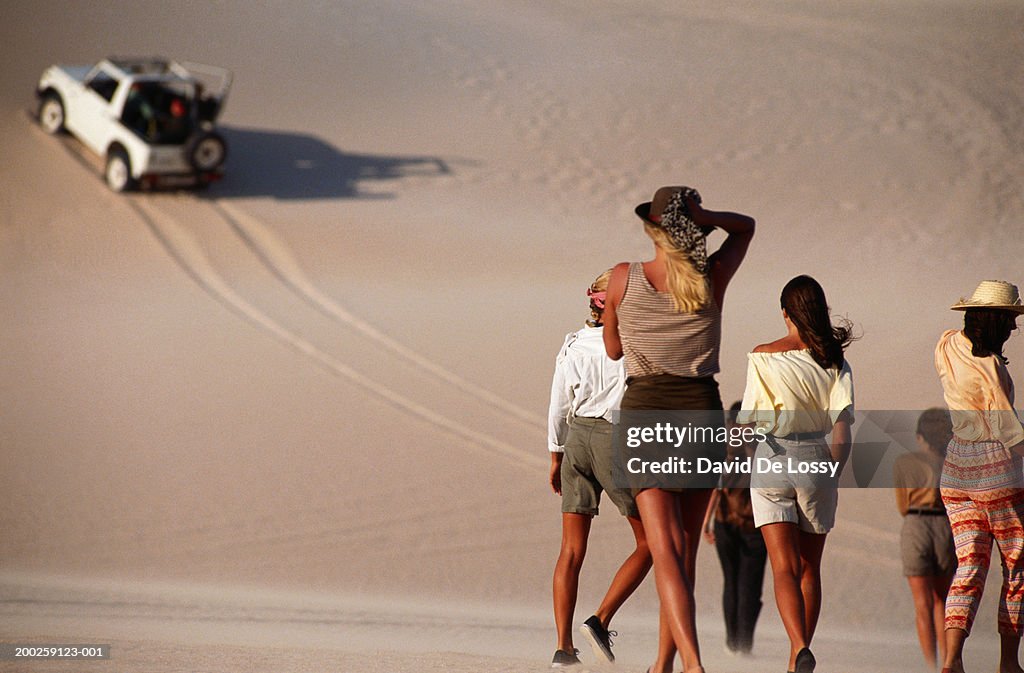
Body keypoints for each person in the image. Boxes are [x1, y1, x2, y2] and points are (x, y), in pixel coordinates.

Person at [603, 185, 755, 673]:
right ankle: (664, 664)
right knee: (683, 551)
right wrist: (707, 213)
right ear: (697, 230)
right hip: (700, 412)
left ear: (652, 228)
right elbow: (746, 226)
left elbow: (612, 351)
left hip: (646, 413)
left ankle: (691, 662)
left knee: (664, 549)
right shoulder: (711, 276)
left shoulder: (623, 277)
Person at [738, 275, 855, 673]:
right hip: (815, 457)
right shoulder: (834, 359)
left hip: (772, 456)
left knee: (783, 568)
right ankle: (795, 662)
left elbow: (749, 423)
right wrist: (831, 475)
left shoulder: (762, 355)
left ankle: (799, 646)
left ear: (786, 313)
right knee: (810, 568)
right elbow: (842, 429)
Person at [548, 269, 652, 668]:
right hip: (615, 439)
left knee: (571, 551)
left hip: (576, 437)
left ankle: (563, 646)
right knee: (650, 542)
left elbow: (558, 403)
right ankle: (601, 617)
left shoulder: (573, 343)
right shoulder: (631, 343)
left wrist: (555, 455)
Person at [934, 280, 1024, 673]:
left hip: (956, 467)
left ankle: (952, 660)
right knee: (1016, 566)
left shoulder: (945, 343)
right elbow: (1009, 432)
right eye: (1010, 320)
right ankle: (1009, 662)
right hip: (997, 468)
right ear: (995, 321)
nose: (1015, 329)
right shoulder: (991, 370)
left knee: (969, 566)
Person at [702, 400, 767, 656]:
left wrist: (706, 521)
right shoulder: (761, 441)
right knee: (750, 586)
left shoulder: (723, 442)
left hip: (723, 521)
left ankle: (732, 642)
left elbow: (715, 485)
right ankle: (745, 644)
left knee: (731, 582)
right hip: (756, 523)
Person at [893, 408, 956, 669]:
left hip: (916, 524)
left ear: (921, 437)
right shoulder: (952, 463)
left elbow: (902, 505)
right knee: (943, 602)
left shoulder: (906, 462)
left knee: (922, 603)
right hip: (945, 525)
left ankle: (929, 664)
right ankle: (948, 662)